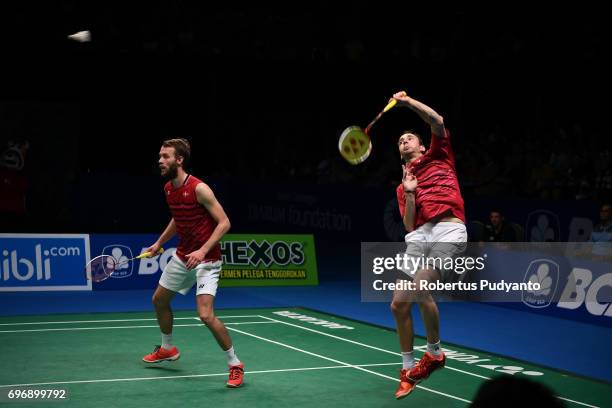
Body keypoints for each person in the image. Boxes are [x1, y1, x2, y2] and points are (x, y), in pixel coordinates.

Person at [142, 138, 244, 388]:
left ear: (179, 160)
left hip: (207, 259)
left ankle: (235, 364)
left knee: (206, 315)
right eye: (159, 156)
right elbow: (178, 220)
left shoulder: (199, 188)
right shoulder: (168, 189)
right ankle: (167, 348)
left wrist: (203, 250)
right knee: (159, 300)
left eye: (165, 156)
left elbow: (224, 223)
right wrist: (158, 243)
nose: (160, 160)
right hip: (183, 255)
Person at [391, 91, 467, 399]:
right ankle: (408, 369)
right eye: (400, 141)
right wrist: (409, 192)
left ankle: (434, 352)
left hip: (448, 230)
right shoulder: (402, 186)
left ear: (422, 145)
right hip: (419, 235)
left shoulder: (440, 155)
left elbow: (437, 119)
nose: (405, 141)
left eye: (409, 137)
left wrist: (407, 102)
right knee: (397, 304)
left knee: (422, 288)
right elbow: (409, 225)